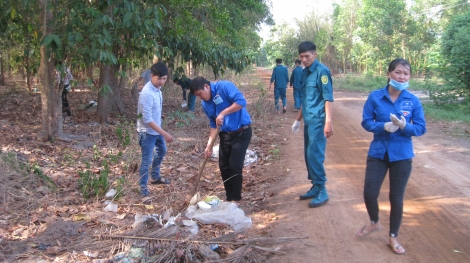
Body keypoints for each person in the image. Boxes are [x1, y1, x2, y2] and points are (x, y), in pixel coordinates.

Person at [356, 58, 426, 254]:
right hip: (378, 151)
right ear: (389, 74)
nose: (402, 77)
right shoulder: (375, 97)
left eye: (406, 73)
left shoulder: (412, 100)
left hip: (402, 155)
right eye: (398, 72)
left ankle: (393, 237)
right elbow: (366, 121)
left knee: (396, 198)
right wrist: (382, 126)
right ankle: (374, 222)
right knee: (369, 193)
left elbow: (421, 128)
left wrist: (405, 126)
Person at [189, 76, 252, 202]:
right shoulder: (205, 104)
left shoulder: (224, 86)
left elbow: (241, 102)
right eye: (197, 96)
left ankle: (236, 199)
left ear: (206, 86)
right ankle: (229, 197)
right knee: (223, 166)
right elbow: (213, 125)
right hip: (225, 134)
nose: (200, 98)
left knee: (234, 166)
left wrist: (223, 113)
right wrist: (209, 146)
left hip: (241, 132)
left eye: (200, 94)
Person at [291, 41, 334, 208]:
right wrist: (297, 120)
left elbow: (328, 98)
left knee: (315, 155)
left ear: (315, 54)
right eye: (301, 57)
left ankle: (322, 189)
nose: (304, 59)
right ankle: (315, 186)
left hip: (318, 121)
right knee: (308, 155)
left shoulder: (322, 72)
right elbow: (305, 100)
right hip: (308, 121)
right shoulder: (304, 73)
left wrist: (328, 122)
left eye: (307, 56)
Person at [136, 62, 174, 203]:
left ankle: (155, 177)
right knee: (146, 161)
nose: (162, 82)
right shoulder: (147, 93)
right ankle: (144, 191)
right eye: (159, 79)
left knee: (161, 151)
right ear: (151, 76)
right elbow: (147, 119)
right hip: (147, 132)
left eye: (164, 79)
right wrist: (164, 133)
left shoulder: (158, 90)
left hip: (156, 130)